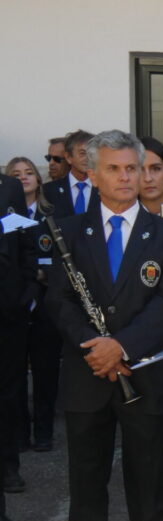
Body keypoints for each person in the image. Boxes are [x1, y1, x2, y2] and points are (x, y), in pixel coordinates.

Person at [46, 129, 163, 521]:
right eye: (115, 168)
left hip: (143, 373)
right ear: (92, 172)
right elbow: (59, 302)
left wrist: (121, 345)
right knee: (86, 480)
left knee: (154, 477)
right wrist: (97, 349)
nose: (128, 177)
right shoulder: (68, 231)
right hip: (88, 374)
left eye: (135, 167)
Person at [7, 157, 60, 452]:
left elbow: (65, 256)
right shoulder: (6, 215)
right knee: (15, 371)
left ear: (38, 180)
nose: (24, 178)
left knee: (46, 370)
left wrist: (43, 273)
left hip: (46, 301)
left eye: (29, 173)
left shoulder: (52, 214)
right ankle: (19, 431)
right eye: (16, 174)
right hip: (16, 300)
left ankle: (44, 431)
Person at [0, 171, 36, 501]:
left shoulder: (9, 186)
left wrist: (25, 293)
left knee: (9, 392)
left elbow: (24, 240)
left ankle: (9, 465)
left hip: (8, 311)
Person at [42, 129, 97, 218]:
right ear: (68, 157)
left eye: (91, 153)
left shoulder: (104, 189)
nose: (88, 158)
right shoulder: (49, 190)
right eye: (82, 153)